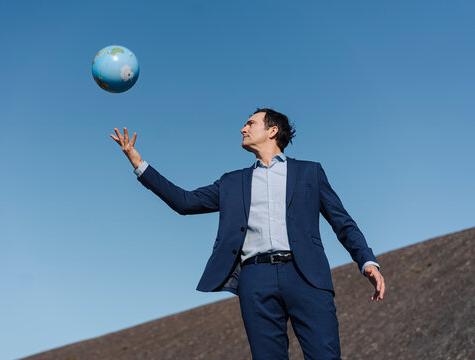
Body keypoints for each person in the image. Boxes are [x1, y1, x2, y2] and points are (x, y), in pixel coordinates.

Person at [110, 108, 385, 360]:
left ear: (272, 131)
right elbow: (185, 202)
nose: (243, 129)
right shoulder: (231, 182)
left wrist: (367, 261)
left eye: (250, 123)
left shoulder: (309, 172)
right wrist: (138, 162)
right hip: (255, 279)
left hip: (307, 276)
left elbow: (342, 221)